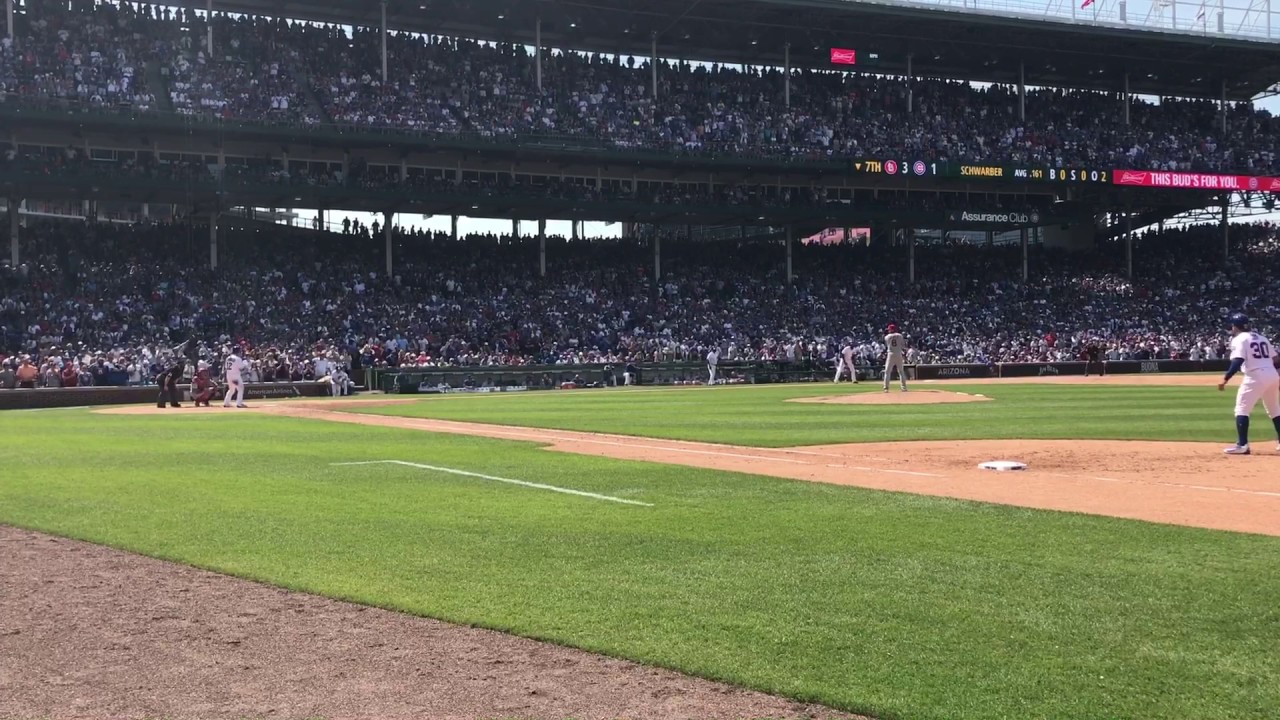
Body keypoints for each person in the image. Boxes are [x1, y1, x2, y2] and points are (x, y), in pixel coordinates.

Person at [1218, 314, 1280, 455]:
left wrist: (1225, 378)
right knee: (1275, 409)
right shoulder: (1262, 338)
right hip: (1271, 373)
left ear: (1235, 326)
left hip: (1255, 375)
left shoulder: (1239, 339)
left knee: (1241, 409)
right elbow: (1276, 359)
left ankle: (1242, 445)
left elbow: (1237, 361)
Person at [882, 323, 908, 393]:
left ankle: (886, 388)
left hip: (890, 354)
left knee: (887, 372)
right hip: (898, 353)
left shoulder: (887, 337)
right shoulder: (900, 335)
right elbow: (903, 345)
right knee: (901, 371)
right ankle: (904, 387)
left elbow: (887, 345)